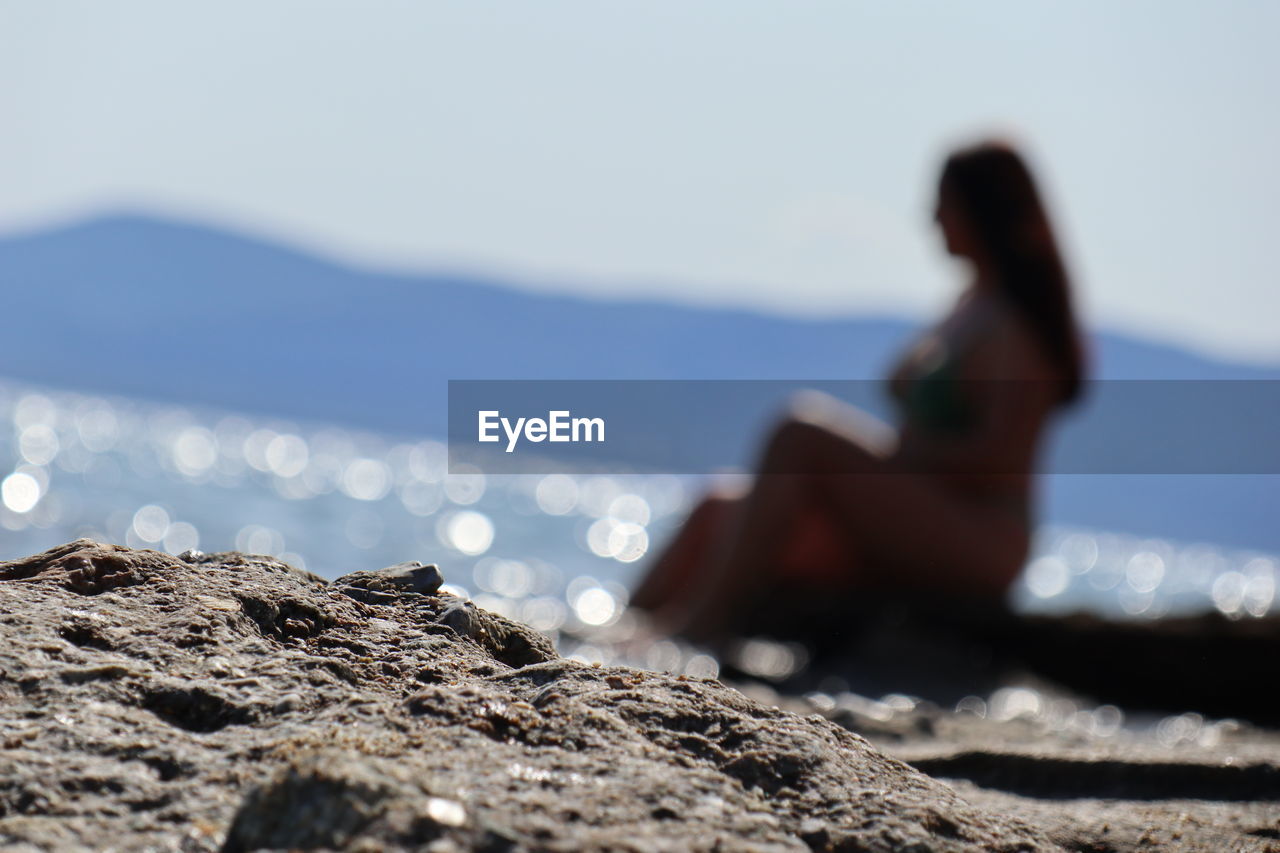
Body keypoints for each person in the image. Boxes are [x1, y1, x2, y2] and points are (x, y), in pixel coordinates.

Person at [631, 139, 1086, 644]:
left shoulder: (1013, 327)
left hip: (978, 537)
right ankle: (625, 636)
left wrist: (885, 462)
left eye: (945, 203)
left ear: (982, 211)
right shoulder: (967, 304)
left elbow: (994, 459)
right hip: (920, 513)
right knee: (717, 506)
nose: (933, 218)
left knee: (800, 430)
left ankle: (701, 628)